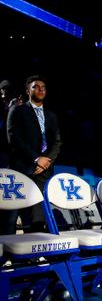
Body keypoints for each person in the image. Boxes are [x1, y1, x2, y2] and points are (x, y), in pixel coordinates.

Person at [3, 75, 61, 234]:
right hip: (21, 169)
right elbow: (15, 139)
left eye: (43, 87)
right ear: (28, 91)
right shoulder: (17, 110)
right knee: (10, 218)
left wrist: (46, 162)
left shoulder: (52, 116)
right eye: (36, 86)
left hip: (43, 172)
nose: (41, 89)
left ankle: (34, 257)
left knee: (38, 217)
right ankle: (6, 255)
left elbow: (57, 143)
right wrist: (36, 159)